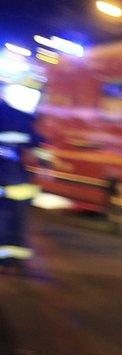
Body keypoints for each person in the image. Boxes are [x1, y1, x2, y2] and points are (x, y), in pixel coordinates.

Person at [0, 94, 40, 275]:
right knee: (17, 221)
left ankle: (6, 259)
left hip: (6, 180)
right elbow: (36, 144)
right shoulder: (19, 116)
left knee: (4, 220)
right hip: (18, 180)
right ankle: (17, 260)